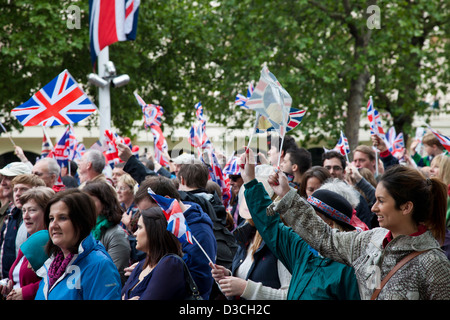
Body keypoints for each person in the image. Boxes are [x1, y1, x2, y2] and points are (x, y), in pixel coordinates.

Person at [268, 164, 450, 299]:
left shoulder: (433, 263)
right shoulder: (371, 239)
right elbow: (326, 238)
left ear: (406, 207)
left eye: (381, 201)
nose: (373, 208)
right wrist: (286, 194)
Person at [240, 150, 360, 300]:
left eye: (311, 215)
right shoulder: (302, 250)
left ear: (330, 223)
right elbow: (270, 225)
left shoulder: (349, 268)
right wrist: (250, 181)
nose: (302, 217)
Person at [210, 164, 292, 300]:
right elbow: (245, 280)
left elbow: (290, 296)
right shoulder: (248, 232)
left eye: (257, 199)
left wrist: (244, 288)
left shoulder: (284, 239)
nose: (251, 203)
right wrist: (228, 278)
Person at [133, 175, 217, 300]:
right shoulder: (165, 223)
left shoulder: (199, 233)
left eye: (149, 211)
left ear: (167, 201)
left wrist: (153, 276)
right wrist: (145, 268)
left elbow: (201, 281)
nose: (145, 218)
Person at [35, 189, 122, 300]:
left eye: (62, 218)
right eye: (51, 219)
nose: (53, 225)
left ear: (82, 222)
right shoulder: (52, 264)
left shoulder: (99, 265)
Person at [121, 207, 190, 300]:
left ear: (153, 231)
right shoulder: (142, 264)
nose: (135, 233)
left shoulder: (170, 264)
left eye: (140, 227)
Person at [1, 187, 54, 300]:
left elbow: (57, 280)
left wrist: (27, 292)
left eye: (32, 210)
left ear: (47, 213)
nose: (25, 216)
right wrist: (10, 286)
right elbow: (21, 278)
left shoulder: (50, 242)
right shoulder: (30, 240)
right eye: (24, 210)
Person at [82, 181, 131, 284]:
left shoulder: (116, 234)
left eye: (91, 201)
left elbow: (113, 274)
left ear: (105, 203)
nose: (85, 206)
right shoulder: (83, 229)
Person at [322, 150, 376, 229]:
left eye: (336, 168)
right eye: (328, 168)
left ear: (344, 172)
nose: (331, 172)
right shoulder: (314, 193)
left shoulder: (356, 198)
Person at [0, 163, 33, 279]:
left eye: (8, 178)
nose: (3, 182)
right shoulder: (11, 211)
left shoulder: (26, 216)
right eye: (3, 178)